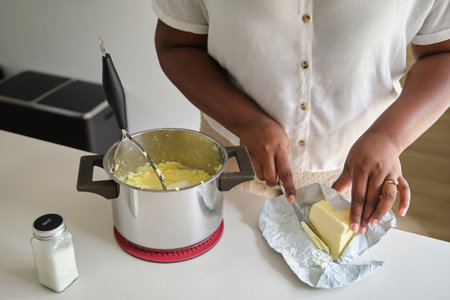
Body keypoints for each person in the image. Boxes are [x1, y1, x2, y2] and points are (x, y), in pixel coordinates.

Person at [151, 1, 450, 235]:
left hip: (356, 177)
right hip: (231, 161)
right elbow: (176, 43)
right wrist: (245, 121)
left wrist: (389, 137)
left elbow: (443, 53)